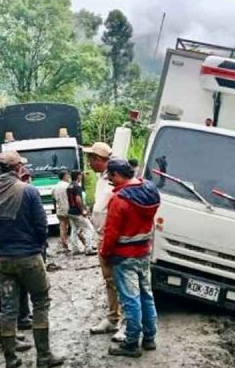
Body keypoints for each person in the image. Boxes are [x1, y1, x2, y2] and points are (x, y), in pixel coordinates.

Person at [0, 151, 65, 368]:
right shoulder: (29, 191)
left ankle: (11, 360)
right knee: (40, 301)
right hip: (29, 258)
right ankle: (43, 356)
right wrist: (35, 246)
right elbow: (41, 226)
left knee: (8, 307)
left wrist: (1, 244)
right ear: (18, 168)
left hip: (3, 260)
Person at [100, 158, 161, 357]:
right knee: (146, 296)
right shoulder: (149, 191)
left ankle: (131, 342)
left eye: (110, 175)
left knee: (130, 300)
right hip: (144, 253)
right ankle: (150, 338)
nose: (109, 179)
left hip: (124, 257)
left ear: (117, 174)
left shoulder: (119, 200)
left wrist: (104, 255)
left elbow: (111, 233)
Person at [83, 142, 125, 342]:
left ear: (100, 159)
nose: (89, 162)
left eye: (92, 158)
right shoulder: (101, 178)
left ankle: (126, 322)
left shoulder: (115, 178)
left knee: (122, 281)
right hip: (103, 236)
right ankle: (113, 318)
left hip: (114, 238)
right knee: (109, 281)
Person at [66, 170, 95, 255]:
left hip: (70, 211)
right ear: (78, 176)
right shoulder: (77, 187)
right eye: (80, 175)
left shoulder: (69, 186)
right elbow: (78, 199)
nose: (81, 177)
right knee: (89, 229)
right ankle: (88, 249)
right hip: (77, 212)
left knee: (74, 230)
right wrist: (83, 211)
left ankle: (75, 249)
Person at [52, 170, 72, 252]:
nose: (69, 177)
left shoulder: (55, 187)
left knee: (62, 228)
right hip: (69, 209)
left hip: (60, 210)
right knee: (75, 227)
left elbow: (53, 199)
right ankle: (83, 244)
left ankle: (64, 245)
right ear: (65, 176)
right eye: (68, 176)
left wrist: (56, 208)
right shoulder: (68, 186)